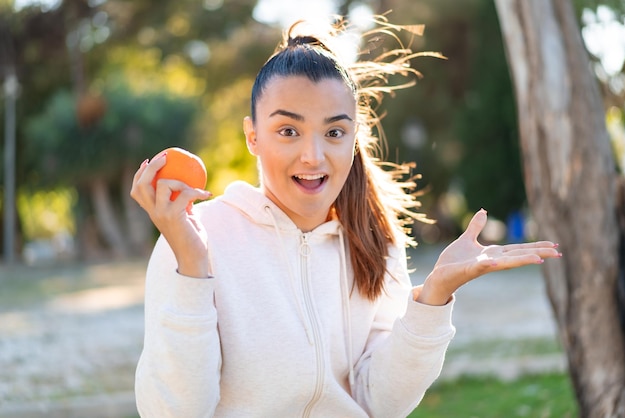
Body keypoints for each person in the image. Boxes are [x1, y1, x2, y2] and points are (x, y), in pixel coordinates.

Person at [130, 17, 561, 418]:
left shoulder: (375, 241)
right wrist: (191, 267)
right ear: (252, 136)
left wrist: (434, 297)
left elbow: (380, 401)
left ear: (354, 138)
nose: (313, 156)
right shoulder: (193, 239)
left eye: (334, 132)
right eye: (288, 131)